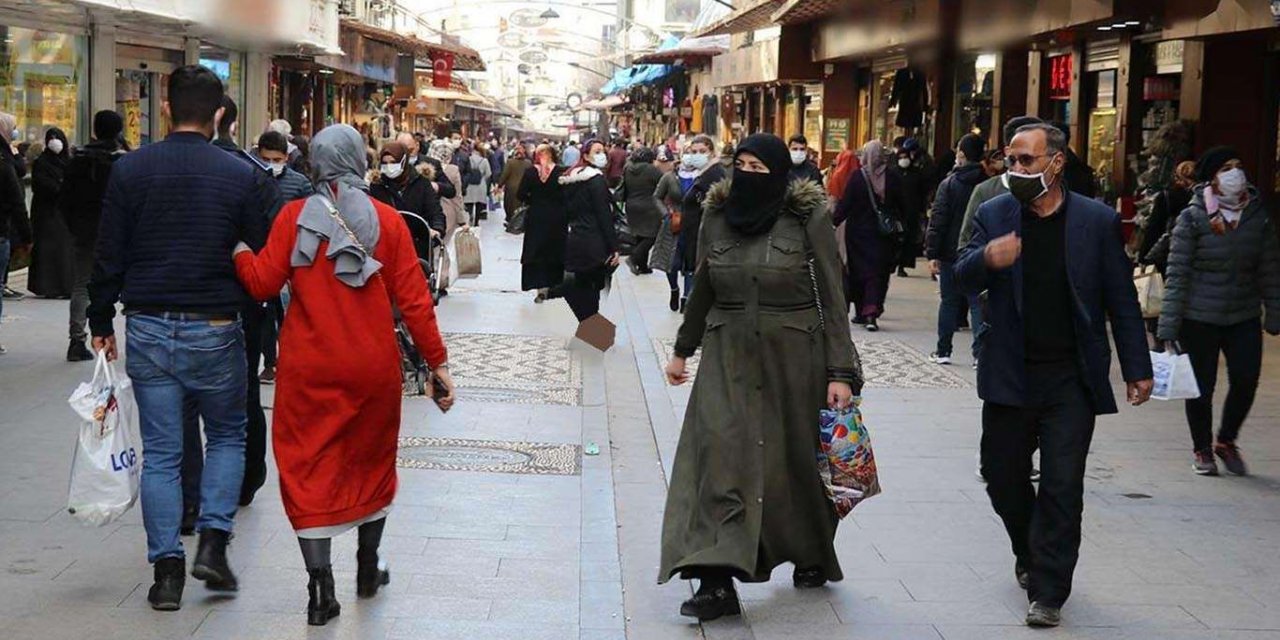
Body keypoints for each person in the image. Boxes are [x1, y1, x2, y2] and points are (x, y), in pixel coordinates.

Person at [232, 123, 455, 626]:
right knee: (370, 458)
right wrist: (438, 364)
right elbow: (415, 302)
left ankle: (319, 590)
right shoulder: (389, 222)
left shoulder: (293, 219)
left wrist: (241, 251)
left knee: (307, 466)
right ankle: (369, 566)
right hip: (372, 367)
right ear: (360, 161)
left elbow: (262, 283)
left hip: (309, 368)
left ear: (314, 164)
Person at [956, 123, 1153, 628]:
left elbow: (1120, 299)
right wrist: (988, 258)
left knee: (1063, 486)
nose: (1016, 170)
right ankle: (1028, 549)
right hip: (1010, 374)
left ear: (1056, 163)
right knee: (1003, 479)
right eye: (1010, 160)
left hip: (1070, 378)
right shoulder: (994, 212)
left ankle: (1049, 590)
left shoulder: (1095, 220)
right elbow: (960, 274)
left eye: (1026, 161)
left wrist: (1136, 367)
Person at [88, 65, 269, 611]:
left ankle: (167, 572)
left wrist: (100, 321)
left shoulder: (132, 170)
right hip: (215, 326)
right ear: (218, 116)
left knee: (163, 453)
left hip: (146, 324)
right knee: (228, 436)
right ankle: (213, 540)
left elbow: (109, 251)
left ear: (165, 109)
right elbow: (259, 259)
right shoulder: (244, 176)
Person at [660, 133, 862, 621]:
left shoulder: (806, 216)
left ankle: (811, 547)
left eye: (759, 167)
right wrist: (683, 350)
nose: (749, 175)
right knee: (719, 457)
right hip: (728, 353)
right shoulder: (716, 214)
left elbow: (833, 298)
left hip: (795, 355)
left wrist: (841, 372)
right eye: (741, 164)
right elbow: (704, 281)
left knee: (791, 461)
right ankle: (715, 579)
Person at [1156, 147, 1280, 477]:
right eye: (1226, 168)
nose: (1234, 173)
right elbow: (1177, 272)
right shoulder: (1193, 216)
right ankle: (1202, 447)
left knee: (1245, 379)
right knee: (1200, 386)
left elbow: (1269, 267)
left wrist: (1274, 310)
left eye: (1238, 166)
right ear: (1211, 175)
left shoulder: (1257, 215)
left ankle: (1226, 439)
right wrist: (1168, 326)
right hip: (1199, 316)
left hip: (1243, 314)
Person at [211, 96, 283, 510]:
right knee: (244, 393)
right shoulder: (254, 177)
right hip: (241, 303)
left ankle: (187, 498)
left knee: (181, 409)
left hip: (172, 306)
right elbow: (269, 245)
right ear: (229, 123)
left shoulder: (148, 167)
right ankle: (246, 479)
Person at [61, 111, 126, 362]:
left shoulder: (77, 160)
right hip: (116, 233)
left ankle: (77, 338)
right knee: (128, 284)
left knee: (82, 285)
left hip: (85, 231)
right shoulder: (121, 161)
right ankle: (136, 334)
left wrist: (74, 226)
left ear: (95, 130)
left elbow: (64, 199)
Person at [254, 130, 314, 385]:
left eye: (277, 159)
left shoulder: (299, 183)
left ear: (286, 158)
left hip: (293, 257)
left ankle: (291, 358)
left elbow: (310, 216)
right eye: (267, 159)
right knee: (266, 314)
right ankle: (270, 362)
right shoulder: (252, 178)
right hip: (263, 254)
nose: (272, 165)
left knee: (290, 313)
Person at [926, 134, 987, 366]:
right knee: (977, 303)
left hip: (951, 252)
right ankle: (979, 354)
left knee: (949, 301)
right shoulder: (988, 183)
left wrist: (932, 253)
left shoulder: (949, 184)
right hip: (978, 251)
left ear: (961, 155)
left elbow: (938, 220)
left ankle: (943, 350)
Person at [834, 140, 905, 332]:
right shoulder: (893, 177)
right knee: (878, 274)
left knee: (858, 273)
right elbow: (903, 206)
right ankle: (872, 311)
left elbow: (845, 206)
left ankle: (861, 312)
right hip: (884, 236)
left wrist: (831, 223)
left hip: (858, 235)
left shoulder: (857, 177)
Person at [550, 139, 618, 321]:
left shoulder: (569, 180)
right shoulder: (596, 181)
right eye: (597, 151)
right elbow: (604, 216)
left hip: (574, 239)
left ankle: (590, 335)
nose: (602, 155)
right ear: (586, 156)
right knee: (590, 290)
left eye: (603, 150)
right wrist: (614, 248)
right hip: (594, 242)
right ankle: (595, 337)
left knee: (579, 288)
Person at [675, 135, 727, 313]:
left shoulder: (714, 175)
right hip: (694, 236)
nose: (697, 155)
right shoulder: (702, 174)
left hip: (703, 239)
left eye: (702, 151)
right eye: (694, 151)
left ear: (711, 152)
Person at [27, 127, 75, 299]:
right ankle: (49, 286)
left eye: (58, 137)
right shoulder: (42, 162)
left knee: (63, 249)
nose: (55, 141)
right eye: (51, 138)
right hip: (46, 211)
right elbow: (41, 185)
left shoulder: (68, 161)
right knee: (49, 248)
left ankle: (64, 285)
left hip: (63, 211)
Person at [518, 144, 567, 301]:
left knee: (536, 250)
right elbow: (569, 194)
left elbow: (520, 194)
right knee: (554, 249)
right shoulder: (561, 172)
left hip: (536, 216)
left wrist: (533, 200)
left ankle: (539, 286)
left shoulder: (531, 172)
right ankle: (554, 284)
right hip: (558, 217)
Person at [370, 142, 446, 238]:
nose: (389, 167)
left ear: (403, 161)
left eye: (393, 162)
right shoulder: (377, 185)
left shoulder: (421, 183)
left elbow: (435, 211)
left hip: (417, 242)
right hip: (388, 240)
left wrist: (437, 229)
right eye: (385, 163)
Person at [1139, 160, 1196, 275]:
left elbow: (1154, 228)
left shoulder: (1167, 197)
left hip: (1168, 254)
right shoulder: (1206, 197)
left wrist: (1143, 258)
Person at [428, 139, 468, 297]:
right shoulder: (453, 170)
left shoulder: (425, 167)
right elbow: (457, 196)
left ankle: (428, 277)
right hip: (448, 212)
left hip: (428, 212)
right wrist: (462, 220)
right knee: (442, 247)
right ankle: (441, 281)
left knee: (429, 248)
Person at [893, 137, 935, 277]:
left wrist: (922, 208)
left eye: (906, 156)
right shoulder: (893, 173)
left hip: (912, 211)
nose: (904, 159)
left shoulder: (916, 173)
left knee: (908, 239)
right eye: (901, 157)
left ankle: (903, 265)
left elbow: (923, 190)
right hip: (896, 212)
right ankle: (895, 263)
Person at [620, 147, 664, 274]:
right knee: (653, 235)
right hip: (649, 206)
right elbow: (663, 182)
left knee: (640, 235)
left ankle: (643, 266)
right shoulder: (651, 170)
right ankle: (634, 257)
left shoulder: (627, 168)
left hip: (631, 205)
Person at [495, 143, 531, 229]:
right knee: (520, 206)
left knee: (509, 205)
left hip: (511, 188)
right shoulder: (528, 163)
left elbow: (504, 175)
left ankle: (511, 222)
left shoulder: (510, 162)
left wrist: (499, 185)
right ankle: (518, 223)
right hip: (523, 188)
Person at [462, 142, 492, 226]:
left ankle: (470, 217)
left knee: (469, 204)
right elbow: (488, 173)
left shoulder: (468, 159)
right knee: (479, 204)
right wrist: (483, 178)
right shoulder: (484, 160)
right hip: (480, 185)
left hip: (469, 185)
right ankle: (476, 221)